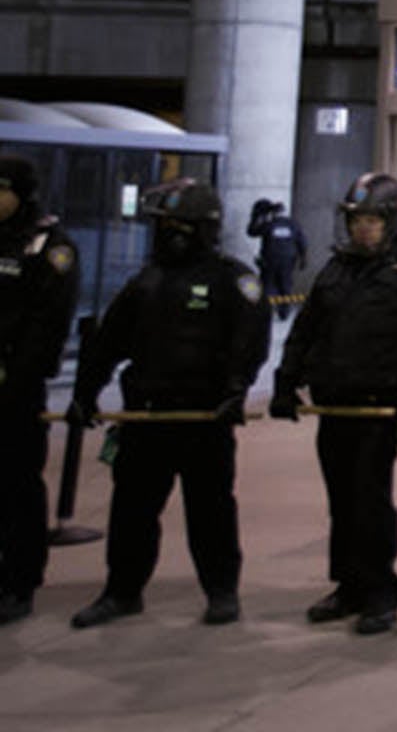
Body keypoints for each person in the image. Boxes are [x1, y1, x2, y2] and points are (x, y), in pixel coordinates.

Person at [68, 179, 270, 629]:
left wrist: (236, 390)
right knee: (132, 510)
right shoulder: (147, 279)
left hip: (203, 418)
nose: (163, 234)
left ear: (196, 229)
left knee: (211, 510)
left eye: (172, 225)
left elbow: (249, 344)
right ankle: (122, 591)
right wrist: (86, 392)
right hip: (147, 414)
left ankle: (221, 592)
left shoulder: (233, 280)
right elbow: (108, 343)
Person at [268, 172, 397, 635]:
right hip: (336, 405)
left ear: (391, 220)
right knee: (342, 500)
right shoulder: (337, 269)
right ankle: (349, 585)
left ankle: (379, 591)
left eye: (371, 219)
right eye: (356, 220)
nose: (363, 228)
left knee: (371, 499)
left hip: (380, 406)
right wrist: (285, 383)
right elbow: (306, 332)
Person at [0, 155, 80, 625]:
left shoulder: (48, 246)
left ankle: (20, 580)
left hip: (17, 390)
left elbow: (49, 323)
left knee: (17, 485)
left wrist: (19, 375)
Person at [247, 198, 308, 322]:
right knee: (285, 286)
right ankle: (284, 312)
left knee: (266, 286)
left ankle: (264, 312)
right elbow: (302, 242)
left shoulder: (269, 225)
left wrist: (257, 217)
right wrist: (303, 258)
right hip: (288, 262)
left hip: (270, 261)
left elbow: (252, 232)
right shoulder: (293, 225)